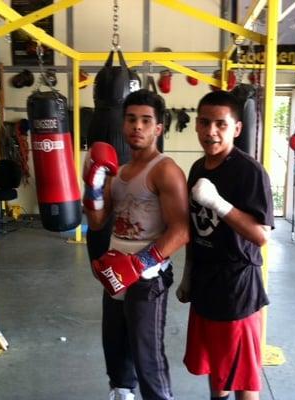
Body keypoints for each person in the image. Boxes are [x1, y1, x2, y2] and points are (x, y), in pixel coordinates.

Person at [82, 89, 190, 400]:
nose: (137, 127)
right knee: (114, 348)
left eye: (145, 120)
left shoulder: (165, 170)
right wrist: (92, 186)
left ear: (158, 128)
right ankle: (122, 394)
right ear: (122, 124)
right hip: (116, 272)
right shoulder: (119, 173)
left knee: (147, 356)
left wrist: (139, 263)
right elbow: (99, 221)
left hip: (147, 277)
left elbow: (181, 230)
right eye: (131, 119)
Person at [176, 90, 274, 400]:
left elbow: (261, 235)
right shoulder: (198, 169)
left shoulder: (249, 171)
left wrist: (219, 203)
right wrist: (188, 273)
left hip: (237, 287)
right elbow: (194, 227)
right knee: (216, 369)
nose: (210, 132)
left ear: (237, 129)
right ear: (196, 125)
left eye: (220, 124)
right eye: (204, 123)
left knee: (243, 377)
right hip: (205, 283)